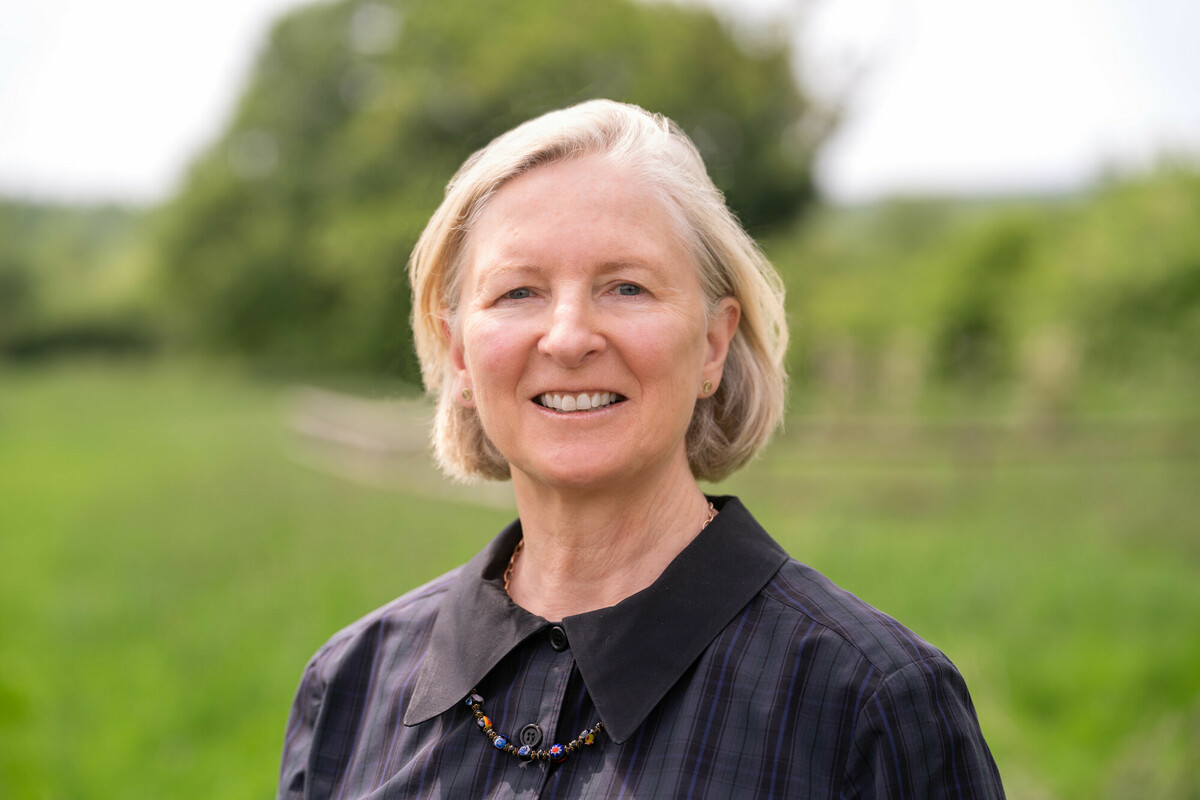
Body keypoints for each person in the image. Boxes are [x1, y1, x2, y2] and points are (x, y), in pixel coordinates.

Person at [277, 100, 1004, 799]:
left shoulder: (871, 703)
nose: (568, 338)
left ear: (713, 343)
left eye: (626, 287)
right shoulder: (347, 686)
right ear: (460, 354)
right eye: (518, 292)